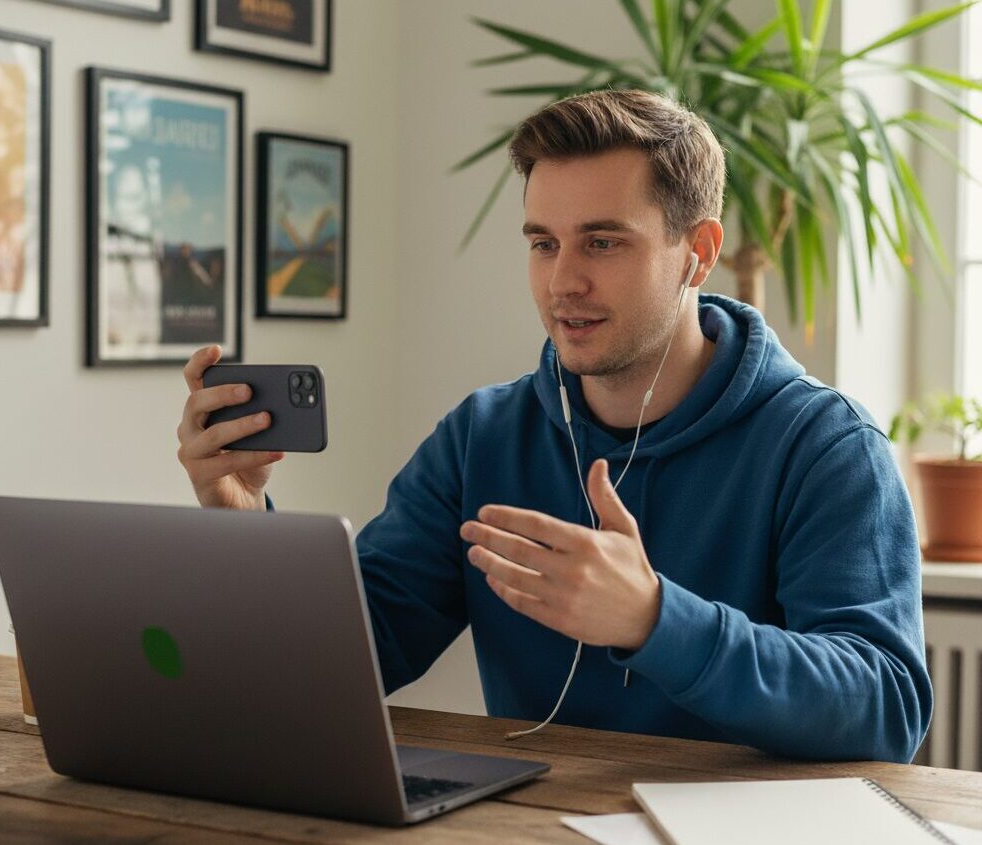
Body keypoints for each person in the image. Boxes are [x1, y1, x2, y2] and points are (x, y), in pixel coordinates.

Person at [176, 90, 931, 762]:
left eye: (602, 242)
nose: (562, 280)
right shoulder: (483, 436)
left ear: (697, 253)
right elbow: (347, 655)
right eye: (543, 243)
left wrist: (655, 618)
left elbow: (885, 706)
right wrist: (246, 528)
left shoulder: (826, 447)